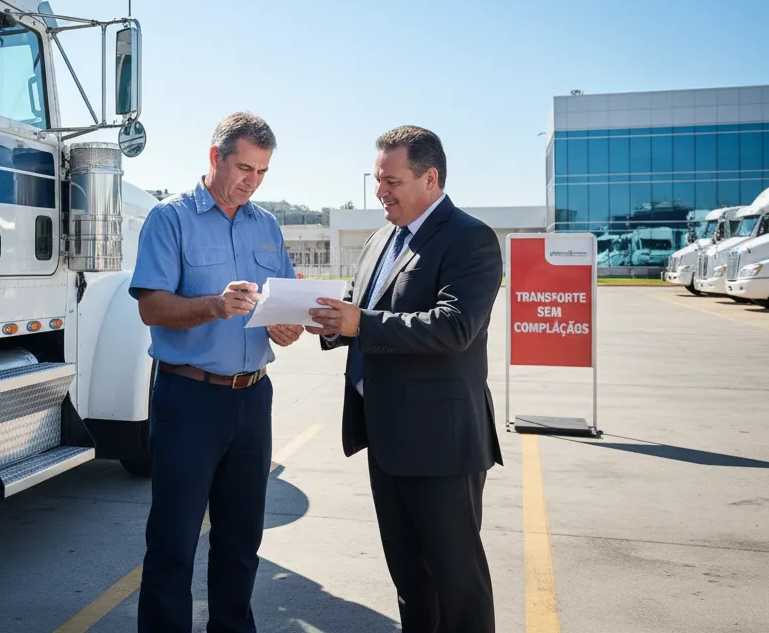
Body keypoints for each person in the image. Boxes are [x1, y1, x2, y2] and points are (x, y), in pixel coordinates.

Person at [307, 125, 504, 633]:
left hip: (441, 445)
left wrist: (361, 323)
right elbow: (361, 310)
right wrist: (329, 322)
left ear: (430, 178)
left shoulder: (470, 239)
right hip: (386, 438)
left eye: (391, 181)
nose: (380, 191)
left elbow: (455, 327)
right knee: (410, 583)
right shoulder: (381, 239)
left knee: (458, 585)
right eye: (378, 180)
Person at [129, 111, 304, 633]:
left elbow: (286, 304)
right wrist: (214, 306)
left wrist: (288, 328)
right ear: (215, 157)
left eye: (262, 172)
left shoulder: (267, 226)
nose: (252, 181)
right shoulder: (170, 219)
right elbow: (152, 307)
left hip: (252, 399)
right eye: (245, 168)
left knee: (241, 539)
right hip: (190, 399)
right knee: (174, 542)